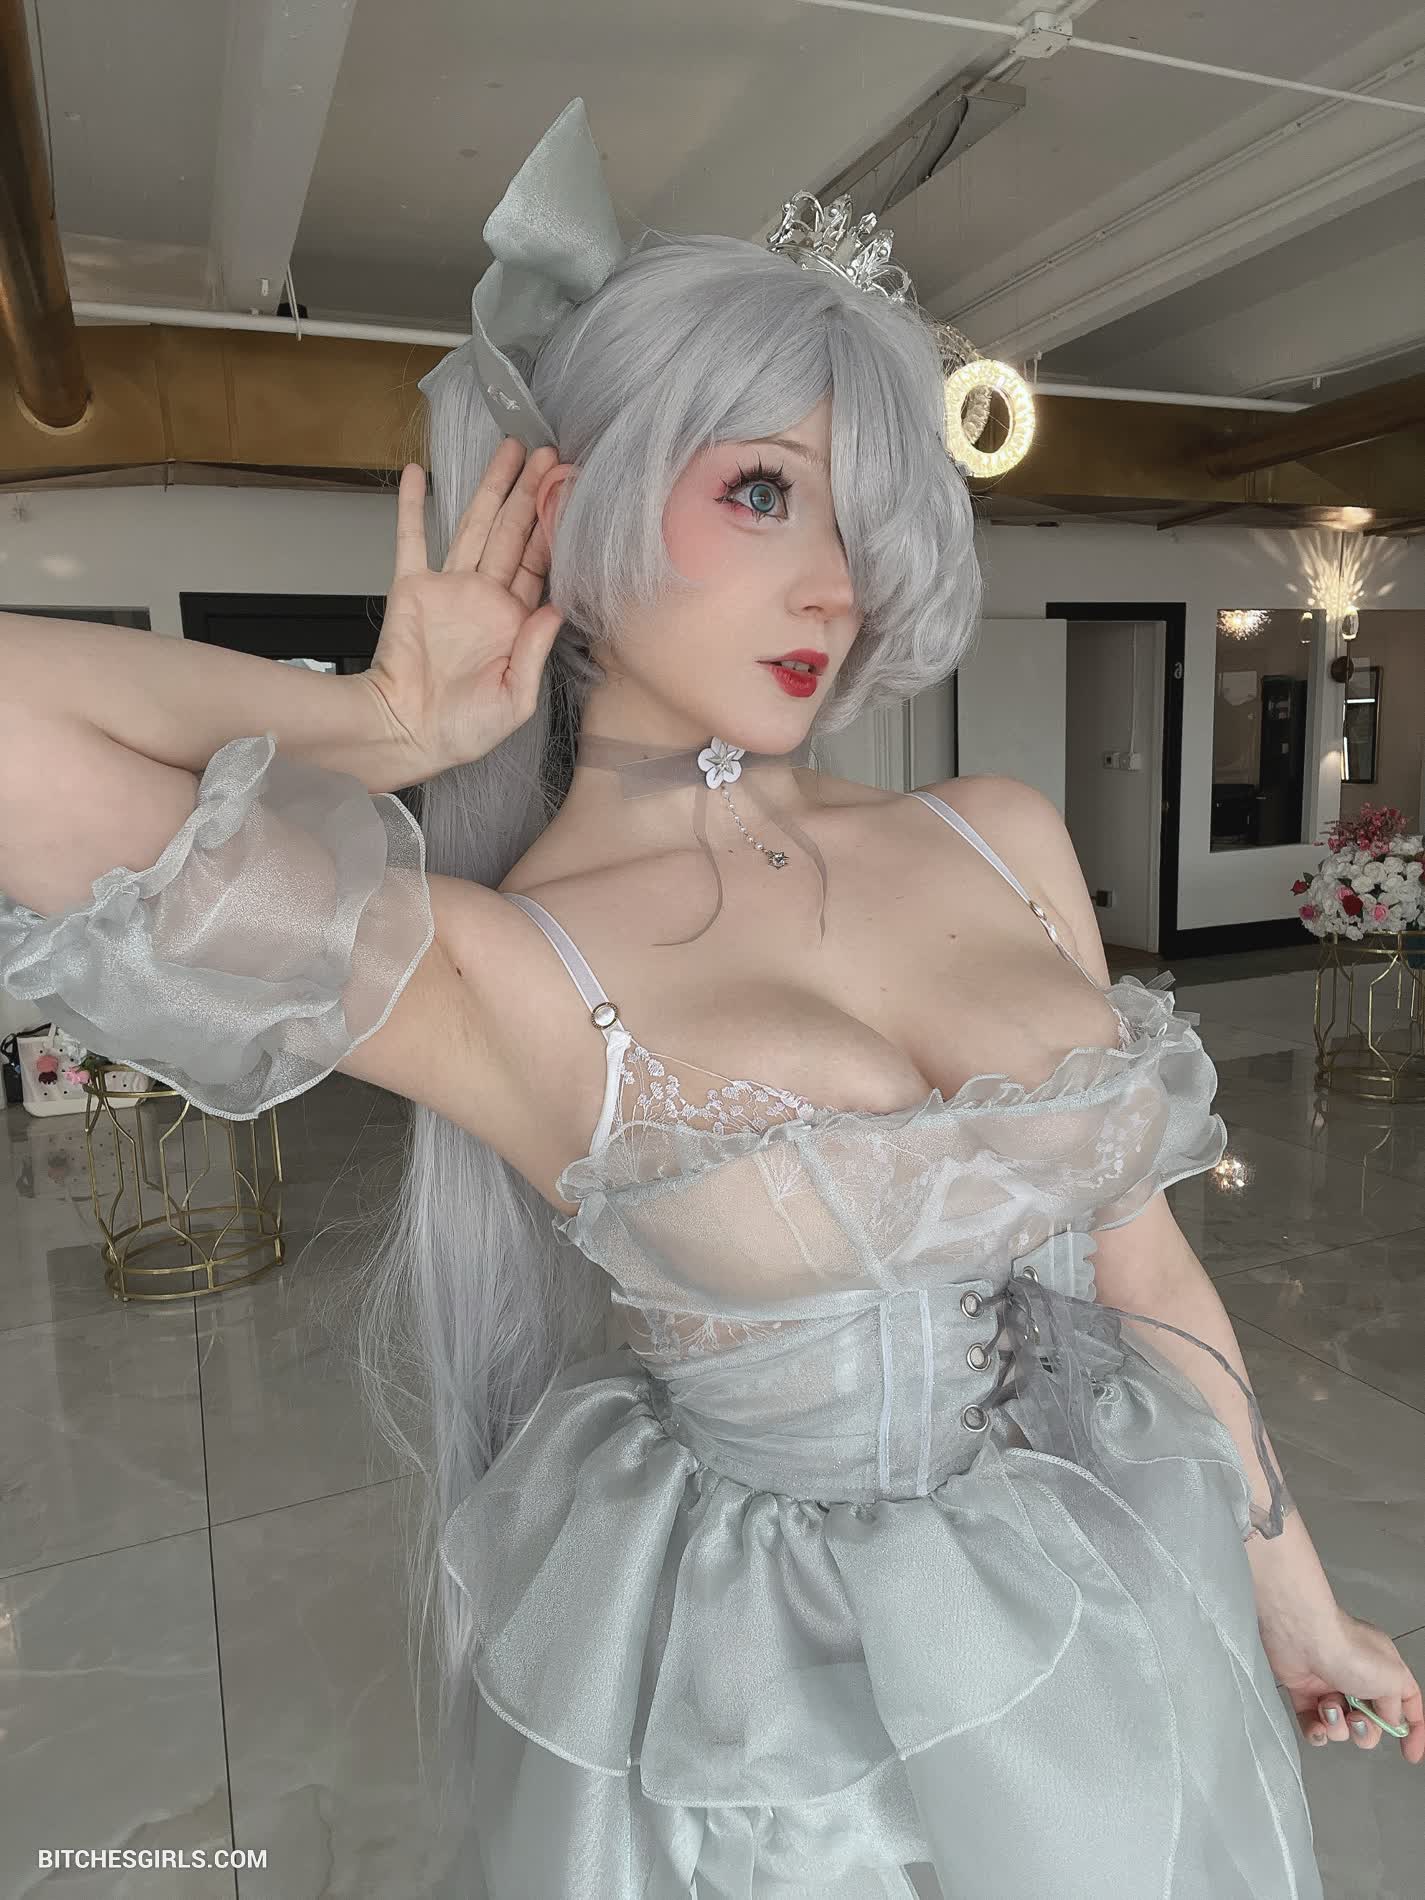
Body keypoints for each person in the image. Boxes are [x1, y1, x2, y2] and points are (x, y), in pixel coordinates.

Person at [1, 98, 1420, 1900]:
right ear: (570, 500)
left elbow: (1143, 1275)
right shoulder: (495, 965)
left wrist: (1294, 1596)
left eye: (863, 512)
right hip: (778, 1754)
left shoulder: (995, 833)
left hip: (1105, 1625)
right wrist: (385, 723)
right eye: (759, 488)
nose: (835, 578)